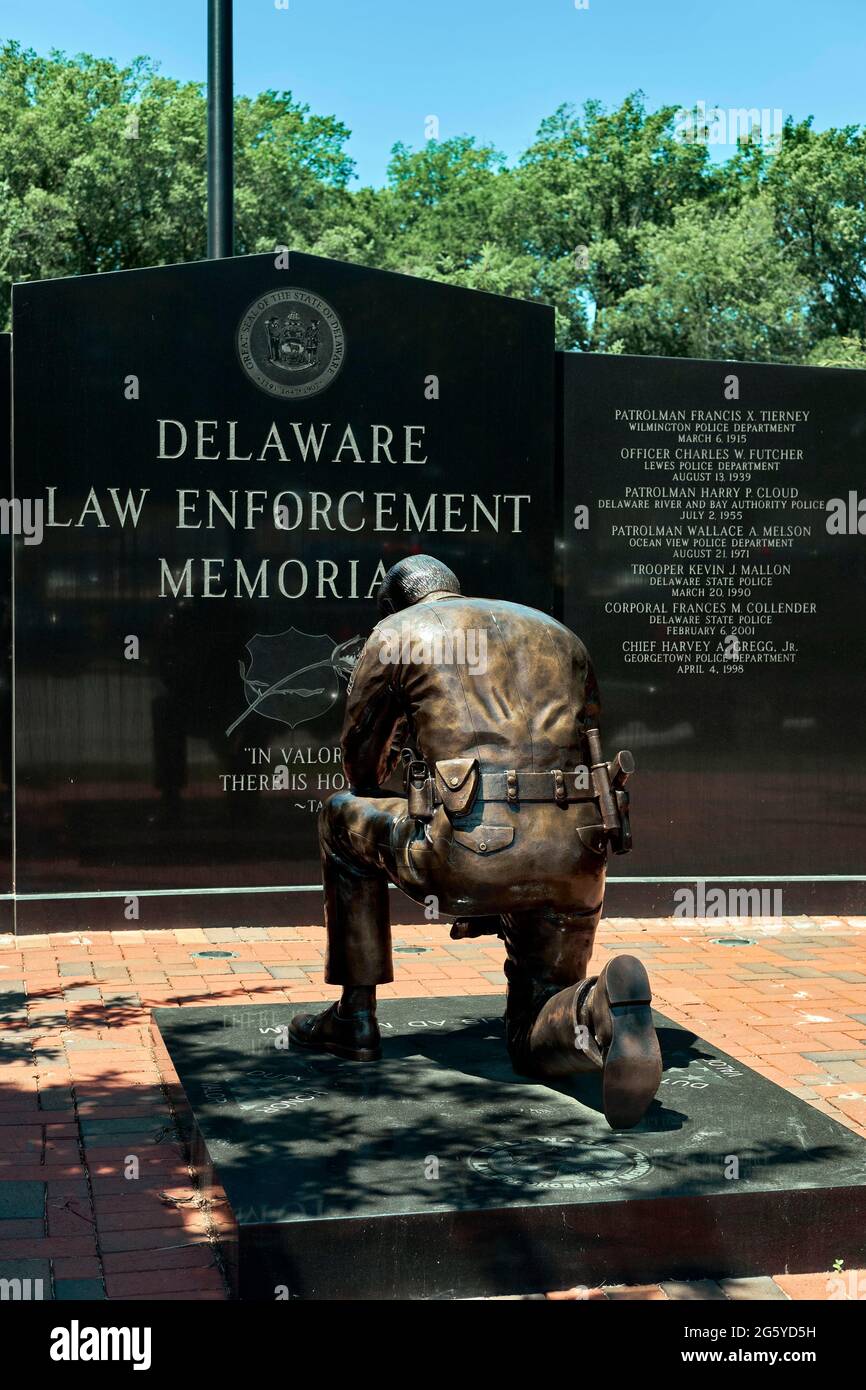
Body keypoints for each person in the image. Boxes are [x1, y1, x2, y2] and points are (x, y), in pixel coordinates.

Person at [289, 554, 662, 1128]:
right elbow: (581, 737)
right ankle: (599, 1010)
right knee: (531, 1027)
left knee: (342, 816)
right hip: (577, 852)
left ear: (393, 605)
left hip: (470, 849)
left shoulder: (397, 633)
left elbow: (362, 768)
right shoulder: (557, 634)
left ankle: (354, 1017)